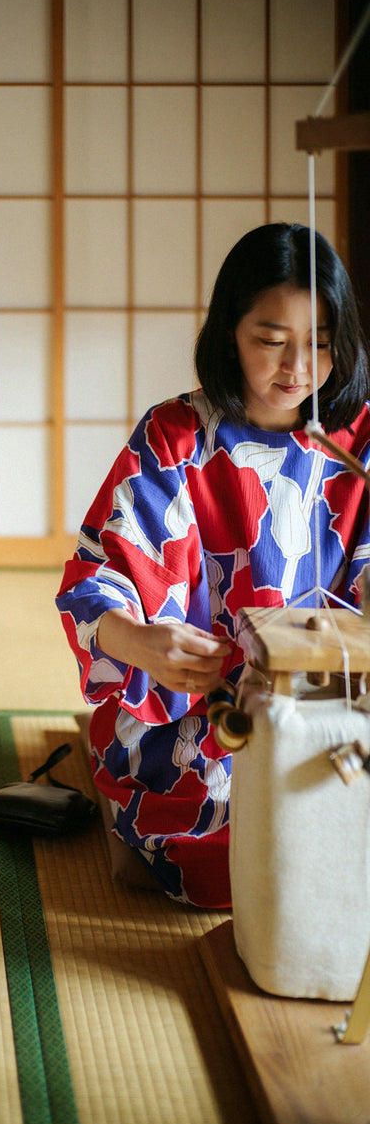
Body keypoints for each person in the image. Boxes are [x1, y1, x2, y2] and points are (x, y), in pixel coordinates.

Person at [56, 223, 370, 909]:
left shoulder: (363, 441)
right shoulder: (174, 438)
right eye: (270, 339)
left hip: (336, 705)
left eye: (319, 341)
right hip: (204, 716)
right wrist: (139, 640)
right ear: (229, 330)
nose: (296, 366)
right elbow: (98, 576)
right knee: (246, 865)